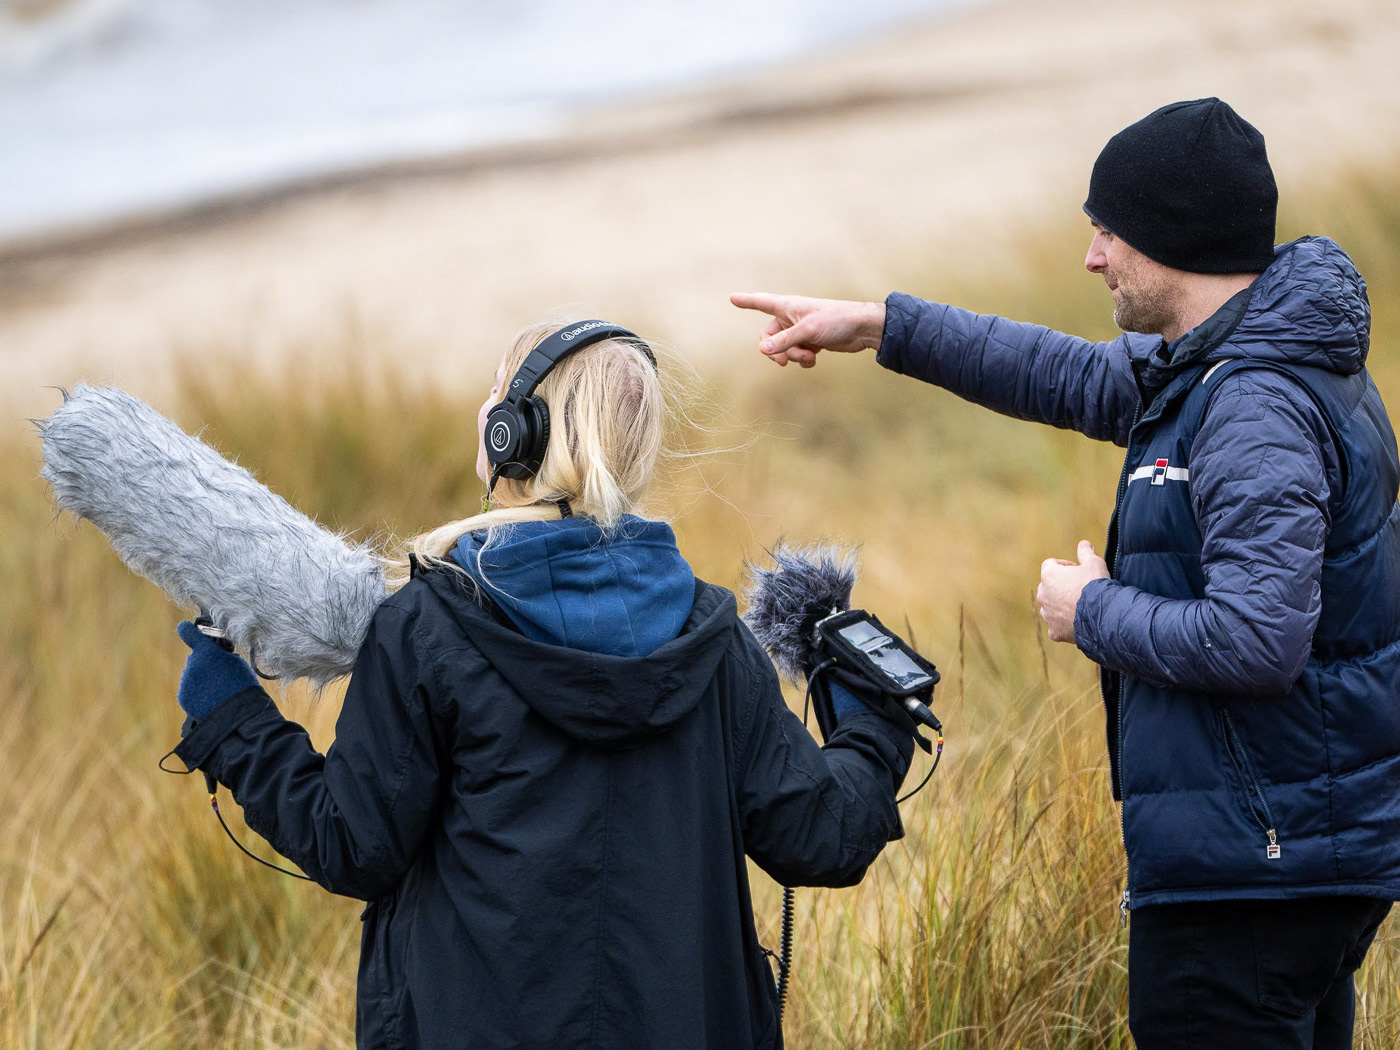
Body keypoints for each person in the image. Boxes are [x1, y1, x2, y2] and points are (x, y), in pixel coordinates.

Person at [732, 97, 1400, 1048]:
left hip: (1253, 872)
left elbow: (1261, 639)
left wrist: (1093, 609)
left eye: (1108, 231)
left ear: (1176, 238)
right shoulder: (1219, 361)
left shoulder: (1254, 405)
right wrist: (881, 325)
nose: (1092, 256)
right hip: (1282, 857)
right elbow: (1060, 372)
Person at [168, 319, 915, 1049]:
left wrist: (229, 712)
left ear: (513, 434)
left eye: (496, 394)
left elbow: (352, 845)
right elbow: (825, 836)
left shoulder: (428, 630)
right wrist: (871, 703)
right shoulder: (710, 636)